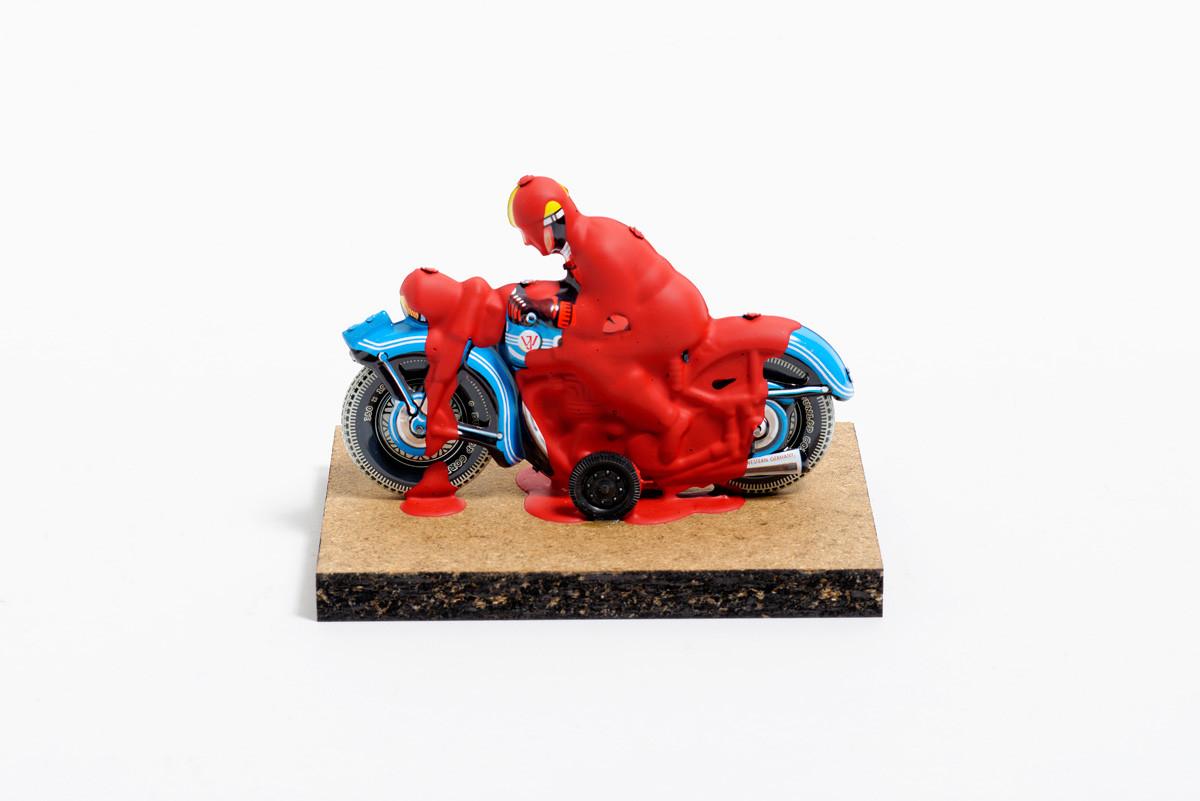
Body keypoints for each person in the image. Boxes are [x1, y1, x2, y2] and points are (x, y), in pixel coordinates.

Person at [506, 175, 712, 460]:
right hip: (655, 310)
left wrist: (547, 310)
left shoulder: (597, 247)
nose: (527, 242)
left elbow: (606, 315)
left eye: (529, 232)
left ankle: (671, 420)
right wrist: (536, 299)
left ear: (550, 224)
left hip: (667, 319)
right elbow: (590, 290)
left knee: (597, 359)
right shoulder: (583, 239)